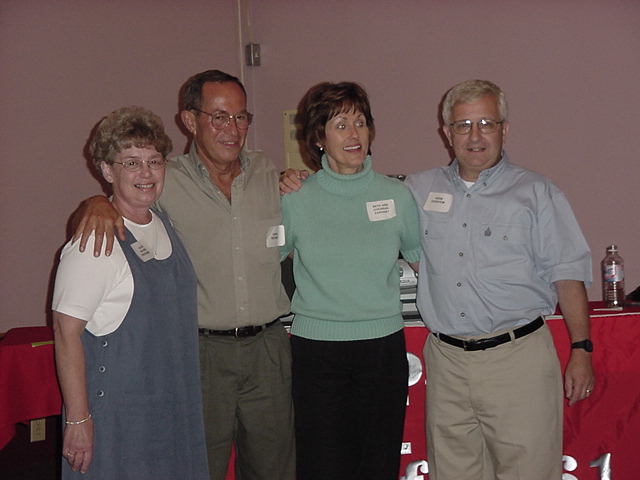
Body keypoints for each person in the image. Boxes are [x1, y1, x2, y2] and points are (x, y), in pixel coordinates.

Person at [72, 71, 294, 480]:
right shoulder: (165, 179)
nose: (232, 129)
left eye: (241, 117)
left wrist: (298, 179)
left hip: (268, 350)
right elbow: (123, 200)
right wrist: (94, 203)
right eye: (219, 117)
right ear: (190, 120)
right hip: (199, 353)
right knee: (196, 465)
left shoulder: (266, 171)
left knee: (274, 468)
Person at [403, 79, 595, 479]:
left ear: (504, 129)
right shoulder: (416, 191)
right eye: (463, 125)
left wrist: (581, 349)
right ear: (446, 133)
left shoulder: (537, 192)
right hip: (447, 363)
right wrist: (301, 180)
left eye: (486, 124)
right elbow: (363, 202)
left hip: (517, 360)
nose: (475, 136)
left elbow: (568, 273)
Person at [52, 106, 208, 479]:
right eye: (132, 163)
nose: (146, 173)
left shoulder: (164, 224)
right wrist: (78, 419)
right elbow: (65, 332)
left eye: (154, 161)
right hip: (120, 421)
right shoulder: (93, 242)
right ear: (107, 170)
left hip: (173, 409)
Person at [280, 81, 421, 480]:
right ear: (318, 138)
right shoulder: (295, 197)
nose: (354, 134)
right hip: (317, 354)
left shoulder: (397, 195)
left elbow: (423, 266)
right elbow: (265, 260)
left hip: (382, 351)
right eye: (340, 125)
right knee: (322, 467)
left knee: (377, 465)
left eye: (360, 122)